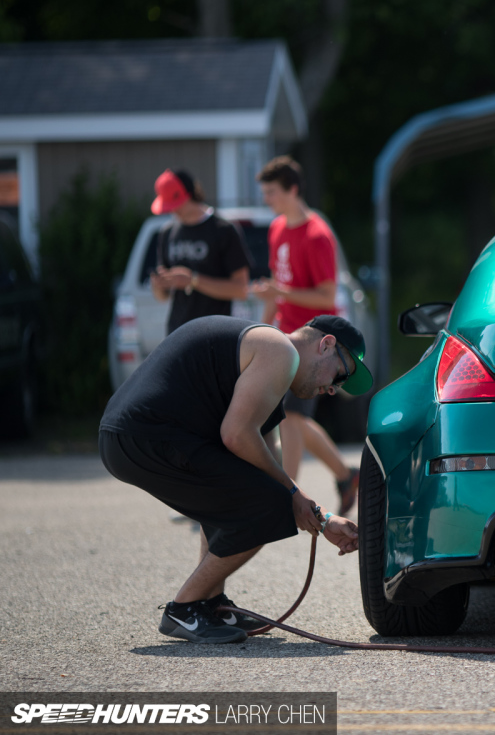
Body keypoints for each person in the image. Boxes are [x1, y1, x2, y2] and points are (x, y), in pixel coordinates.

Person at [99, 314, 373, 644]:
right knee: (267, 505)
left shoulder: (269, 360)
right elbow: (236, 435)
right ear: (326, 345)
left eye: (339, 387)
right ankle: (183, 608)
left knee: (252, 490)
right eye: (340, 375)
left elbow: (269, 464)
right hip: (144, 435)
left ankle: (209, 604)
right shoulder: (280, 352)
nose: (332, 389)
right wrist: (291, 497)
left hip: (129, 435)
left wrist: (322, 519)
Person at [251, 157, 360, 516]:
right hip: (283, 339)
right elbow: (274, 291)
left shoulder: (317, 234)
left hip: (314, 346)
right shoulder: (277, 228)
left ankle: (288, 493)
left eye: (272, 192)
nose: (267, 199)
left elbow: (326, 296)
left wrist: (281, 291)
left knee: (292, 418)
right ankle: (346, 475)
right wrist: (261, 330)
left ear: (292, 189)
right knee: (293, 418)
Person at [148, 169, 252, 334]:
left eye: (175, 204)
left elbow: (240, 289)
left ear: (190, 194)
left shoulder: (223, 229)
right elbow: (162, 296)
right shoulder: (167, 232)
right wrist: (159, 285)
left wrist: (193, 280)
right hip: (177, 333)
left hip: (215, 334)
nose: (172, 210)